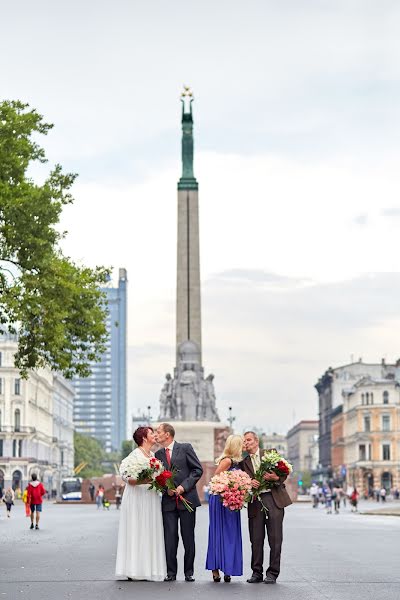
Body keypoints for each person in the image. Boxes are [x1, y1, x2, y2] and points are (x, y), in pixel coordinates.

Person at [240, 432, 292, 585]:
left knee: (275, 539)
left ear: (257, 441)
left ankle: (272, 573)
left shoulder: (270, 454)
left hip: (273, 499)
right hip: (255, 501)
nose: (246, 443)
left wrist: (276, 478)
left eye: (249, 440)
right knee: (256, 539)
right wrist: (250, 483)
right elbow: (240, 480)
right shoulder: (243, 462)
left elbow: (284, 471)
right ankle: (257, 573)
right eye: (244, 441)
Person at [115, 426, 166, 581]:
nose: (155, 435)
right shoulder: (134, 456)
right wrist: (145, 480)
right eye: (152, 433)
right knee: (136, 529)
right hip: (137, 498)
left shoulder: (153, 457)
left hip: (150, 497)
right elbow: (127, 477)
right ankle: (134, 569)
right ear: (144, 437)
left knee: (150, 529)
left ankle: (149, 568)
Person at [155, 422, 203, 582]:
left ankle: (188, 572)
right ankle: (171, 573)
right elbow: (156, 478)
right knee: (170, 538)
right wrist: (165, 489)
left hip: (187, 500)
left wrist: (183, 487)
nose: (156, 434)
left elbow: (197, 470)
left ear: (167, 434)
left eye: (158, 431)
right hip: (168, 503)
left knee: (188, 537)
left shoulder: (185, 448)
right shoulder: (158, 455)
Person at [206, 434, 244, 583]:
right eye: (241, 444)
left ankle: (228, 568)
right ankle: (216, 570)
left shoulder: (236, 462)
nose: (243, 447)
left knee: (230, 535)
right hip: (221, 500)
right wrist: (232, 488)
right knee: (219, 533)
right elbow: (215, 480)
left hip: (231, 501)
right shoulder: (227, 461)